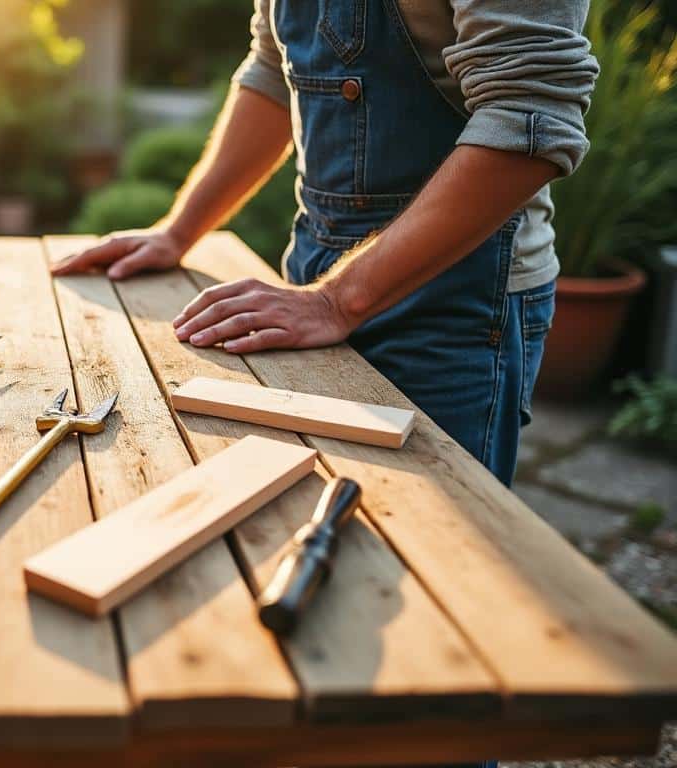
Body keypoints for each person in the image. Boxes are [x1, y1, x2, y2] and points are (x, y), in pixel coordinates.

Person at [53, 0, 597, 488]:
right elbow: (273, 69)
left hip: (453, 311)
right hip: (313, 283)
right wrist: (179, 230)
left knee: (428, 546)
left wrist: (337, 300)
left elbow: (530, 120)